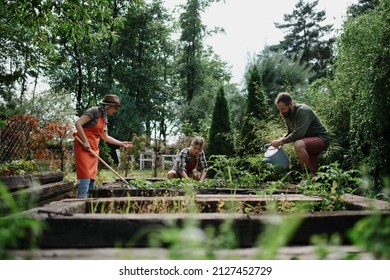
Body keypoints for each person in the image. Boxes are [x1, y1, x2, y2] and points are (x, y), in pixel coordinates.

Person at [73, 94, 133, 198]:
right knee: (86, 175)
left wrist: (121, 143)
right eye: (115, 108)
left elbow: (106, 137)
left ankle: (91, 200)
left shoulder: (104, 118)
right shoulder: (94, 111)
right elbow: (78, 123)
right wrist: (85, 141)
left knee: (92, 177)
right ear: (108, 106)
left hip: (93, 149)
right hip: (83, 146)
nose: (115, 111)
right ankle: (82, 199)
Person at [270, 92, 330, 178]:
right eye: (279, 109)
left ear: (291, 103)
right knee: (312, 176)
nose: (281, 112)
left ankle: (305, 175)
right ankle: (310, 178)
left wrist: (280, 142)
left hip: (321, 139)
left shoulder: (303, 111)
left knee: (298, 144)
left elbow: (298, 134)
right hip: (307, 141)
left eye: (283, 109)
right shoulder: (287, 114)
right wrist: (279, 141)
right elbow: (290, 132)